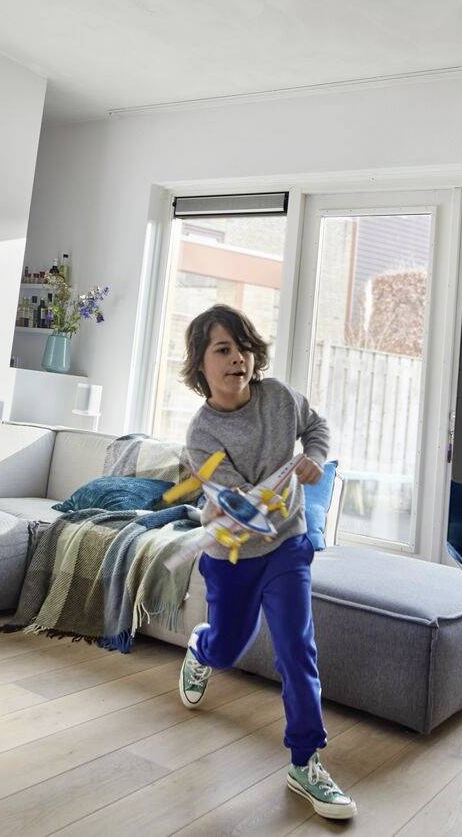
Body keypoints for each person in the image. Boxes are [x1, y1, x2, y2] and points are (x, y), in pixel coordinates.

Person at [175, 304, 356, 820]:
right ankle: (202, 649)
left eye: (245, 348)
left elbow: (316, 427)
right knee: (228, 647)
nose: (238, 358)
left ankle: (305, 761)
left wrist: (314, 458)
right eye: (223, 349)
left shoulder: (279, 398)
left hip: (287, 546)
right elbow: (244, 511)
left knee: (297, 648)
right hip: (233, 555)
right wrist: (233, 506)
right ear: (201, 364)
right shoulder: (202, 435)